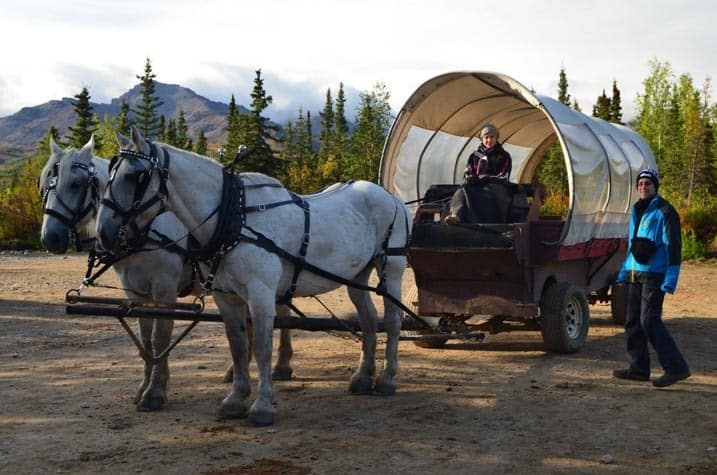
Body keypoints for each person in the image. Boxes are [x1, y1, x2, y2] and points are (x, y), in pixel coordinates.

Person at [613, 169, 690, 387]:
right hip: (635, 274)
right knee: (633, 322)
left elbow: (674, 247)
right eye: (640, 184)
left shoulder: (665, 211)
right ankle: (638, 369)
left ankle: (677, 368)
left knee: (649, 320)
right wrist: (623, 272)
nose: (643, 187)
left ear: (655, 186)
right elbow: (631, 245)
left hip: (655, 275)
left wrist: (671, 278)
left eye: (647, 183)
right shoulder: (637, 210)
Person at [444, 124, 512, 224]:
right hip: (477, 185)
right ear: (482, 139)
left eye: (492, 137)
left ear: (496, 138)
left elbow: (504, 175)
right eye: (486, 137)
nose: (489, 140)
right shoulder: (475, 156)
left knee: (489, 196)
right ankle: (456, 215)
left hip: (497, 186)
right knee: (462, 190)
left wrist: (487, 178)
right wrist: (470, 177)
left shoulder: (503, 156)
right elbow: (469, 170)